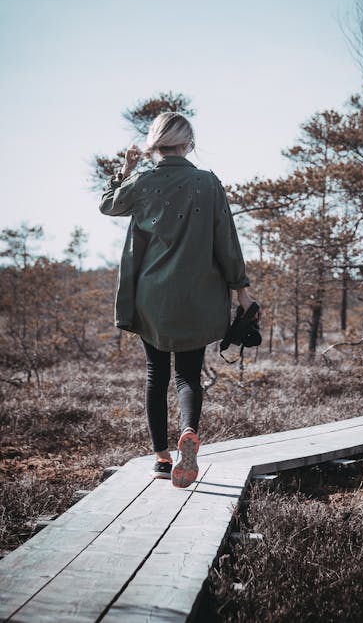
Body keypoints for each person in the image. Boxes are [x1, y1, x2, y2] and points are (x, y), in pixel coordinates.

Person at [99, 112, 257, 488]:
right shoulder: (207, 182)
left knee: (156, 375)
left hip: (152, 299)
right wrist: (242, 289)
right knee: (187, 375)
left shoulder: (141, 181)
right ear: (188, 143)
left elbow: (108, 205)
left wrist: (125, 169)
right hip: (198, 298)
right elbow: (227, 241)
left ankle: (161, 459)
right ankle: (189, 431)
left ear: (155, 142)